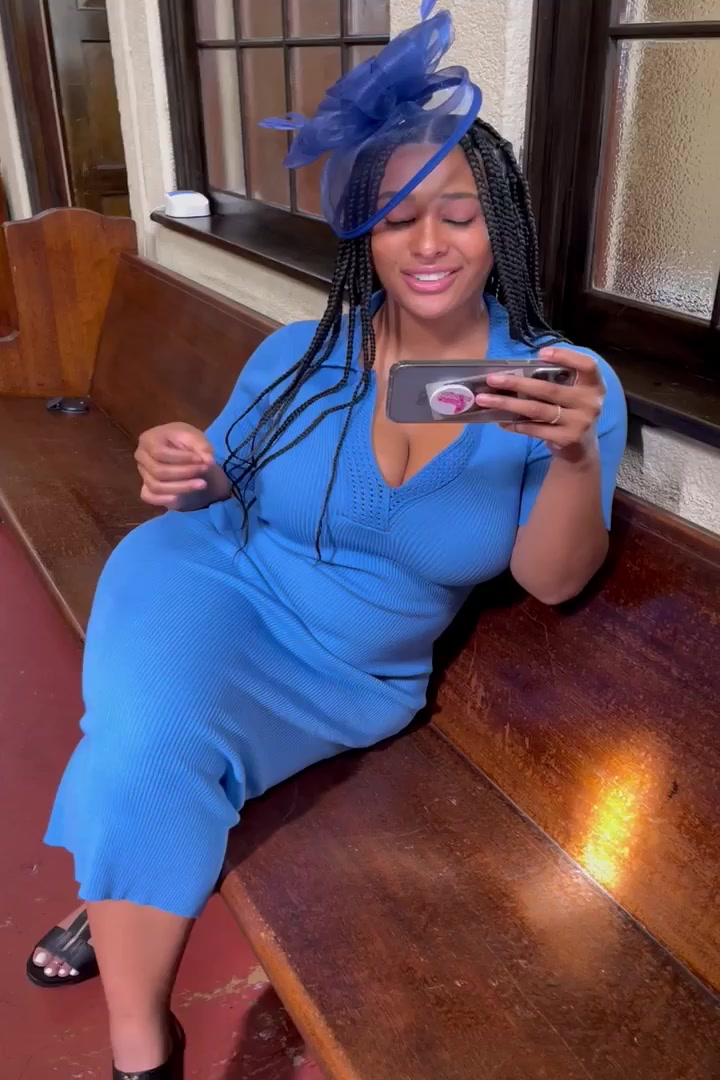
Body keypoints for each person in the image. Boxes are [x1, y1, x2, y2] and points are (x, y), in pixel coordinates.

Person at [27, 3, 627, 1077]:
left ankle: (109, 896)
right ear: (365, 237)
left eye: (458, 215)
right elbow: (219, 479)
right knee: (146, 745)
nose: (428, 244)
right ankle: (140, 1047)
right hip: (207, 580)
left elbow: (550, 582)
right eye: (396, 219)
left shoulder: (561, 385)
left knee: (158, 756)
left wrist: (575, 456)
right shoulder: (303, 354)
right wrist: (181, 465)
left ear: (500, 226)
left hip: (351, 672)